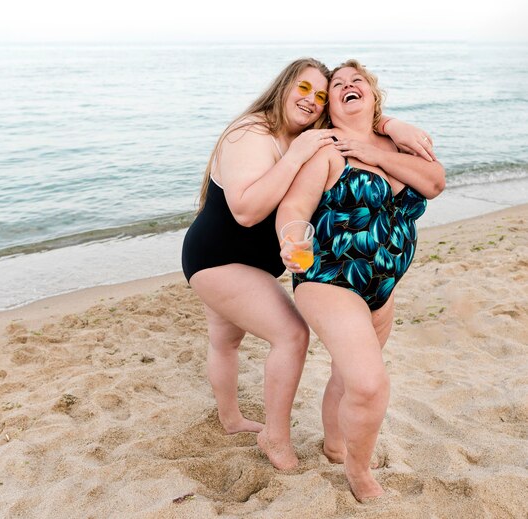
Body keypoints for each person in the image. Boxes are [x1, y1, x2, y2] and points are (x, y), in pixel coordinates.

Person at [181, 57, 436, 471]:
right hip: (218, 259)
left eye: (320, 95)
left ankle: (230, 419)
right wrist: (296, 154)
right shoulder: (252, 131)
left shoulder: (310, 135)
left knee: (224, 341)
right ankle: (275, 437)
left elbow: (356, 115)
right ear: (283, 87)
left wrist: (390, 126)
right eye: (304, 88)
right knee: (292, 335)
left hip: (258, 264)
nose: (312, 100)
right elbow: (245, 212)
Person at [276, 60, 445, 497]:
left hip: (383, 289)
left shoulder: (397, 143)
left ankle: (335, 443)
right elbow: (293, 207)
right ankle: (359, 471)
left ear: (372, 95)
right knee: (369, 384)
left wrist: (374, 149)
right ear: (330, 105)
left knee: (347, 376)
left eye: (358, 81)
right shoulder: (326, 150)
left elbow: (435, 182)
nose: (349, 86)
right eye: (338, 85)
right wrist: (292, 238)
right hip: (330, 279)